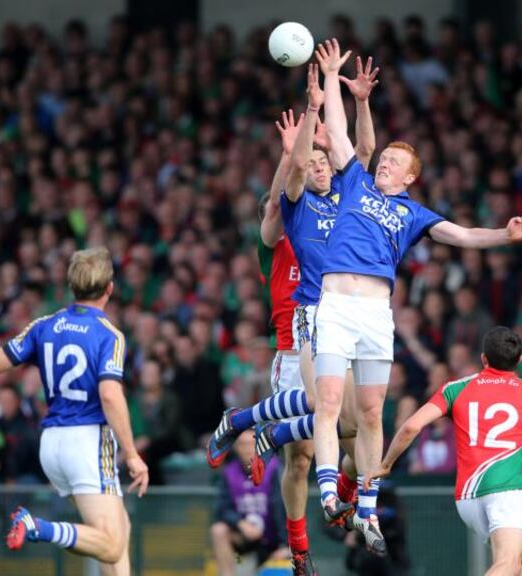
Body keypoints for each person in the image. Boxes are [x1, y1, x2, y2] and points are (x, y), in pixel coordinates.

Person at [311, 38, 522, 554]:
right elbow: (341, 130)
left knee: (372, 413)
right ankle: (329, 490)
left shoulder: (415, 213)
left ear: (410, 176)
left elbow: (462, 236)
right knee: (329, 404)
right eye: (384, 158)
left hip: (376, 312)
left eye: (394, 162)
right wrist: (331, 78)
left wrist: (505, 235)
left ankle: (365, 504)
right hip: (337, 304)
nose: (384, 164)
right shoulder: (354, 183)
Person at [206, 58, 379, 574]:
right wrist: (294, 147)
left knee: (350, 429)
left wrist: (357, 104)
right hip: (293, 346)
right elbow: (289, 187)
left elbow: (361, 156)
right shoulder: (276, 240)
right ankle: (298, 548)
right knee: (303, 455)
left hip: (339, 334)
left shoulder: (340, 213)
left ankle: (255, 427)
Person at [0, 247, 148, 576]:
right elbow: (109, 393)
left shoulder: (44, 325)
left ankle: (39, 526)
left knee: (118, 529)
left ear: (71, 286)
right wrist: (131, 453)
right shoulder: (110, 335)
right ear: (110, 288)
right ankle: (37, 527)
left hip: (52, 444)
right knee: (112, 542)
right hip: (88, 441)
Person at [367, 327, 522, 576]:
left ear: (484, 359)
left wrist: (387, 464)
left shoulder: (456, 389)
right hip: (506, 491)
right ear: (519, 360)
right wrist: (513, 460)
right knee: (507, 563)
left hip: (467, 497)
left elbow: (411, 426)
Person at [209, 430, 288, 576]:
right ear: (235, 448)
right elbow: (222, 509)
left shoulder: (275, 468)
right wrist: (240, 523)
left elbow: (284, 507)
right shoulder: (229, 472)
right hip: (246, 537)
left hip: (274, 538)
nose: (247, 449)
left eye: (251, 444)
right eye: (242, 444)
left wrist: (285, 544)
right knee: (218, 530)